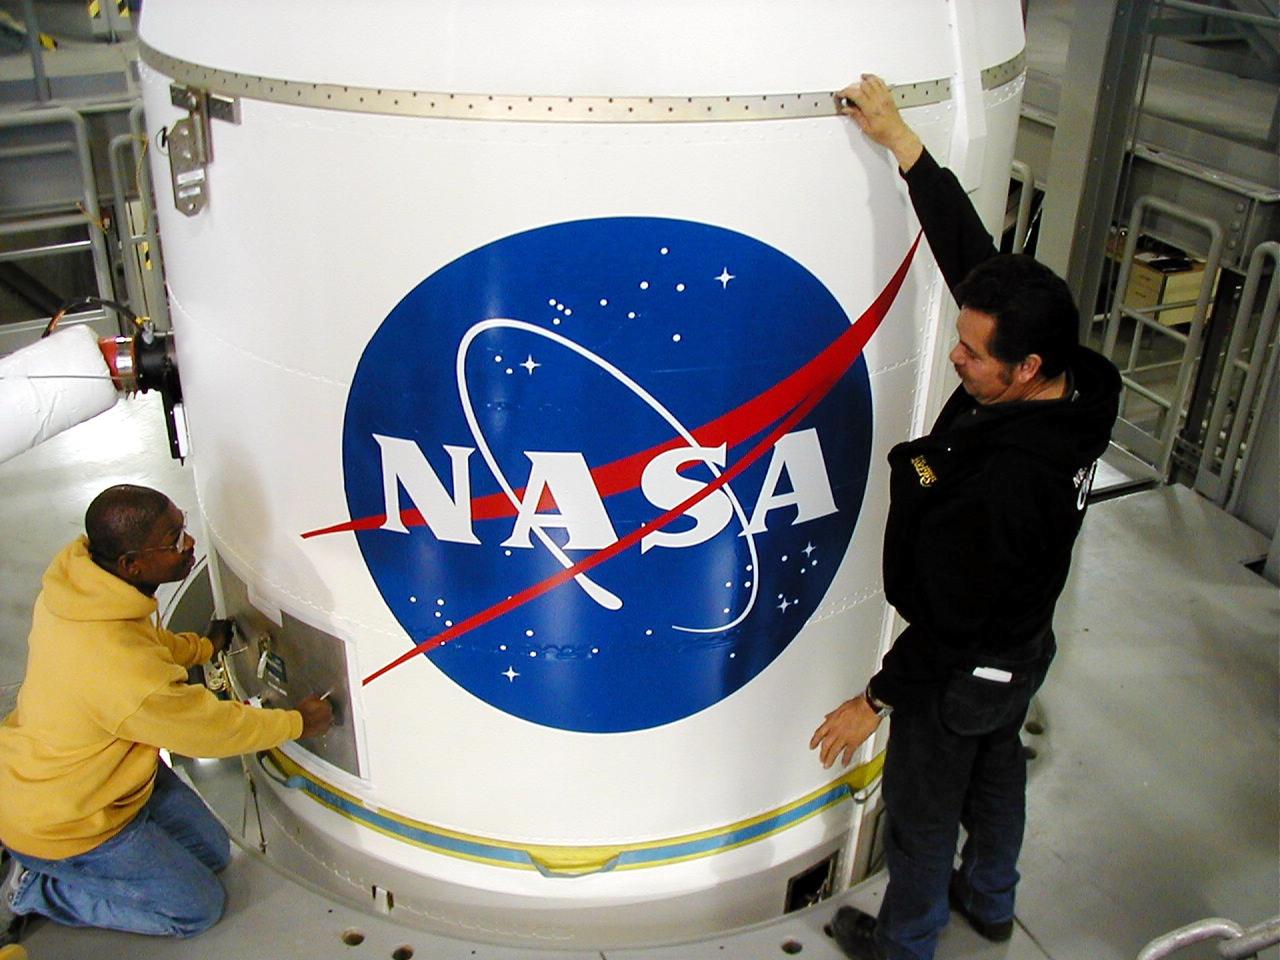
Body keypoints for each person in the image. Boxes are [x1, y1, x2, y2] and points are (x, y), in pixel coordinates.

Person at [809, 76, 1121, 960]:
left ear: (1025, 369)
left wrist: (872, 701)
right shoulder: (1077, 385)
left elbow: (950, 628)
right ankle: (990, 900)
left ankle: (906, 941)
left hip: (967, 664)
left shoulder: (1005, 486)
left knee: (923, 807)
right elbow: (973, 257)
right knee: (996, 772)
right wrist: (903, 145)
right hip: (1023, 644)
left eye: (974, 355)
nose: (955, 355)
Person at [0, 484, 333, 945]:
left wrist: (203, 648)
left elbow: (145, 645)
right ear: (131, 564)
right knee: (196, 907)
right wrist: (298, 722)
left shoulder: (82, 589)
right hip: (68, 823)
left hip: (103, 780)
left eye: (183, 527)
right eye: (174, 540)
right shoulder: (122, 674)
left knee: (212, 853)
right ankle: (37, 887)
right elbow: (211, 730)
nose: (189, 543)